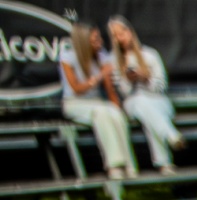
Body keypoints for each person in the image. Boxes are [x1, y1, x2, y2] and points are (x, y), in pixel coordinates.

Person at [105, 18, 178, 176]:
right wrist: (129, 79)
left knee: (149, 113)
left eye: (122, 33)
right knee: (141, 103)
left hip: (157, 101)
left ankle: (164, 162)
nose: (121, 38)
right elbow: (123, 93)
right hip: (133, 103)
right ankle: (169, 138)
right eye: (116, 36)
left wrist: (146, 78)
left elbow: (161, 87)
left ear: (130, 32)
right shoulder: (113, 59)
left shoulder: (150, 54)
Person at [58, 24, 132, 180]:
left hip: (97, 102)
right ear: (84, 41)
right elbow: (76, 88)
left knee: (115, 114)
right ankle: (114, 166)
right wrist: (99, 76)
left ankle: (129, 165)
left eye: (99, 38)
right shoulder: (67, 56)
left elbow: (110, 90)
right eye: (95, 40)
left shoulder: (102, 55)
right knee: (102, 113)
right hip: (74, 103)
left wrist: (117, 107)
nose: (99, 42)